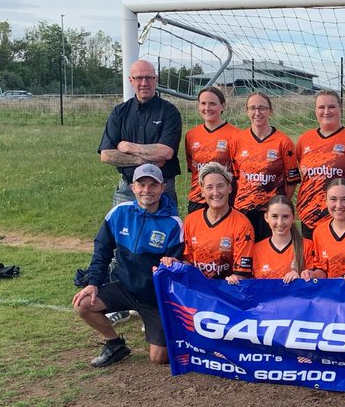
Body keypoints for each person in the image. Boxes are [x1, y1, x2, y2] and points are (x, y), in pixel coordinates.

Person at [72, 164, 184, 367]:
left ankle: (169, 329)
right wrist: (94, 283)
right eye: (141, 184)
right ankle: (115, 345)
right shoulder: (118, 213)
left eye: (153, 185)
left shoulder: (173, 224)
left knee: (159, 359)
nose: (146, 190)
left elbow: (177, 269)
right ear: (133, 187)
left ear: (162, 188)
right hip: (123, 287)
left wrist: (172, 267)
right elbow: (102, 251)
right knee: (83, 304)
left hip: (154, 297)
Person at [98, 60, 183, 206]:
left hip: (162, 187)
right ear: (131, 80)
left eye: (149, 77)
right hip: (128, 187)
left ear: (156, 80)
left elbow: (165, 152)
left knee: (162, 228)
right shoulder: (120, 112)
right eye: (139, 78)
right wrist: (145, 161)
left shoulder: (169, 112)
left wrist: (128, 147)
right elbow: (106, 155)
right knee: (122, 228)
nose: (144, 83)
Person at [164, 163, 253, 283]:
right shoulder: (191, 220)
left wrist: (234, 279)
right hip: (198, 289)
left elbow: (241, 274)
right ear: (202, 191)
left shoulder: (242, 224)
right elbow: (189, 261)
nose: (215, 192)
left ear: (230, 188)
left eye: (220, 186)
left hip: (226, 291)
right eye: (209, 187)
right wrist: (176, 264)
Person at [295, 90, 345, 238]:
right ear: (315, 110)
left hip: (343, 217)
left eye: (331, 107)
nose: (326, 111)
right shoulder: (304, 140)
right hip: (310, 217)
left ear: (341, 108)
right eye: (321, 107)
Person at [232, 91, 299, 239]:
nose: (257, 113)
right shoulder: (237, 140)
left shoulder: (283, 142)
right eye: (252, 108)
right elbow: (236, 176)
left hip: (271, 213)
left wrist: (280, 204)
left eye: (262, 108)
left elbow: (292, 181)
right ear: (247, 111)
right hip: (244, 209)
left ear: (270, 111)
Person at [183, 87, 242, 214]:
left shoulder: (236, 135)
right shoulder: (191, 135)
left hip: (225, 199)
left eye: (212, 104)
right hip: (198, 198)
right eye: (203, 103)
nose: (207, 108)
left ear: (223, 106)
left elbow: (239, 174)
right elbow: (192, 168)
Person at [252, 195, 303, 282]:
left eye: (285, 217)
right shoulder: (256, 249)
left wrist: (302, 278)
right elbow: (249, 286)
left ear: (293, 218)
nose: (280, 223)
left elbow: (315, 283)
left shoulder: (306, 246)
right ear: (266, 217)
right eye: (275, 216)